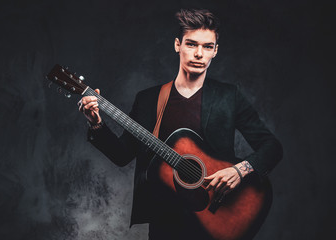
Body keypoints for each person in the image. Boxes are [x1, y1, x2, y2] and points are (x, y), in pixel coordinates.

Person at [78, 9, 283, 240]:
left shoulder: (229, 97)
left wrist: (240, 170)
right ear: (178, 45)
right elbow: (122, 155)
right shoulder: (149, 100)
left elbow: (272, 147)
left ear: (215, 51)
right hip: (165, 223)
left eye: (207, 46)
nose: (198, 54)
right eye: (191, 44)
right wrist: (96, 123)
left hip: (217, 216)